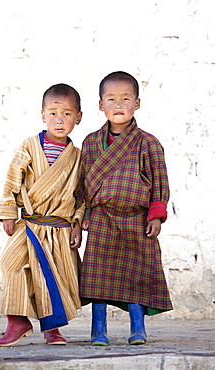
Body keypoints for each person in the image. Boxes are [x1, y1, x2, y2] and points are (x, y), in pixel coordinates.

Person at [75, 71, 173, 346]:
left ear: (137, 104)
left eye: (126, 99)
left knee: (138, 274)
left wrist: (156, 216)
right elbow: (81, 185)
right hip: (102, 218)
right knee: (97, 277)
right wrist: (81, 217)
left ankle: (138, 328)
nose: (118, 105)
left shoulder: (148, 143)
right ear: (100, 104)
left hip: (137, 219)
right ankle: (98, 329)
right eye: (111, 99)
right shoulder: (92, 142)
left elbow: (160, 182)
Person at [0, 83, 84, 347]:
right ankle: (18, 322)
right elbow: (13, 179)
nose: (60, 119)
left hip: (59, 228)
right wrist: (8, 212)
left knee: (51, 278)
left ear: (78, 118)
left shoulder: (78, 157)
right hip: (31, 224)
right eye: (54, 113)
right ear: (42, 115)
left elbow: (82, 194)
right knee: (10, 264)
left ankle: (52, 329)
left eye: (67, 114)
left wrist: (77, 223)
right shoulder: (30, 146)